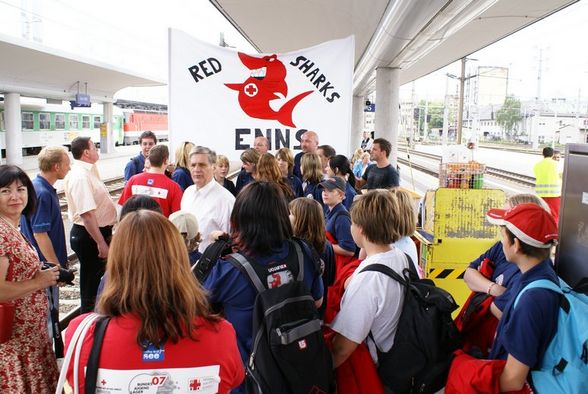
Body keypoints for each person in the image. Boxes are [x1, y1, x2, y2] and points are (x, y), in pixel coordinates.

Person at [65, 210, 244, 392]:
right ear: (179, 262)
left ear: (116, 264)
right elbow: (231, 380)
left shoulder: (80, 336)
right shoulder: (221, 334)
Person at [203, 182, 324, 393]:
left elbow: (193, 306)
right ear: (282, 215)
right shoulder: (303, 251)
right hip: (300, 369)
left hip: (250, 380)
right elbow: (317, 300)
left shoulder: (229, 270)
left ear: (240, 218)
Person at [485, 203, 559, 392]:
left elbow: (513, 380)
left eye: (503, 238)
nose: (501, 243)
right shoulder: (539, 274)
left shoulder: (531, 299)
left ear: (516, 245)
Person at [330, 190, 408, 368]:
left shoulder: (368, 280)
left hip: (375, 369)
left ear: (361, 229)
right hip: (401, 353)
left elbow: (342, 348)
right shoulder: (400, 256)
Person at [0, 164, 60, 392]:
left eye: (20, 189)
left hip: (29, 340)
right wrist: (39, 282)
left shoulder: (11, 227)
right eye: (5, 191)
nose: (15, 196)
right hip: (15, 345)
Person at [464, 194, 551, 318]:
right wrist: (494, 289)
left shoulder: (526, 272)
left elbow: (500, 312)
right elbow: (468, 274)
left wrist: (482, 286)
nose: (500, 229)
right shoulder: (501, 247)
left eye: (505, 226)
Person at [19, 146, 71, 352]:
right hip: (44, 268)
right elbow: (40, 234)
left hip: (42, 267)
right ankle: (47, 356)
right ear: (56, 166)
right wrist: (56, 268)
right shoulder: (42, 193)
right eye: (67, 164)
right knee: (49, 316)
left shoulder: (41, 188)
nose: (69, 167)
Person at [64, 137, 117, 313]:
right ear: (86, 152)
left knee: (96, 279)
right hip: (90, 235)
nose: (97, 150)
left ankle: (96, 313)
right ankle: (89, 319)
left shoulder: (88, 171)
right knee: (91, 283)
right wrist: (101, 242)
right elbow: (87, 215)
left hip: (95, 232)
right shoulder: (80, 176)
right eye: (94, 147)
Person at [181, 146, 235, 252]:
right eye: (193, 165)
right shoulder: (188, 193)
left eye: (202, 165)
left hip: (213, 266)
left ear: (213, 167)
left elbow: (231, 242)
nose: (196, 169)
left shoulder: (226, 200)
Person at [289, 197, 336, 317]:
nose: (287, 217)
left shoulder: (293, 247)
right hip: (319, 310)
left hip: (298, 310)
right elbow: (330, 279)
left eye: (291, 214)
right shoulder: (327, 246)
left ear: (301, 220)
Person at [118, 145, 183, 218]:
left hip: (134, 227)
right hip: (159, 228)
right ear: (166, 161)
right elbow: (177, 218)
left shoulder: (133, 180)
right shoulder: (174, 187)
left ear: (149, 159)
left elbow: (121, 209)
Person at [533, 147, 562, 223]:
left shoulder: (537, 165)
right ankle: (553, 233)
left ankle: (544, 232)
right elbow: (562, 176)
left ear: (543, 154)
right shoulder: (556, 164)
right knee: (554, 215)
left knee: (543, 214)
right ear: (552, 154)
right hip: (554, 194)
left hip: (541, 194)